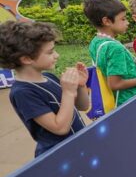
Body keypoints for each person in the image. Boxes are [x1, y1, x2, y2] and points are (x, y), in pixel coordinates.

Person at [0, 21, 89, 157]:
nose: (57, 55)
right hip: (59, 157)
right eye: (50, 52)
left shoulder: (49, 77)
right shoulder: (23, 93)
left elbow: (82, 106)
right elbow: (60, 128)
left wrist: (81, 86)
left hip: (78, 147)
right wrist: (68, 92)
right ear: (27, 59)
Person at [84, 0, 136, 106]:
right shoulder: (115, 49)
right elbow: (115, 84)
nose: (127, 22)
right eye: (123, 19)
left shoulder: (96, 41)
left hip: (114, 99)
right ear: (106, 21)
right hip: (129, 100)